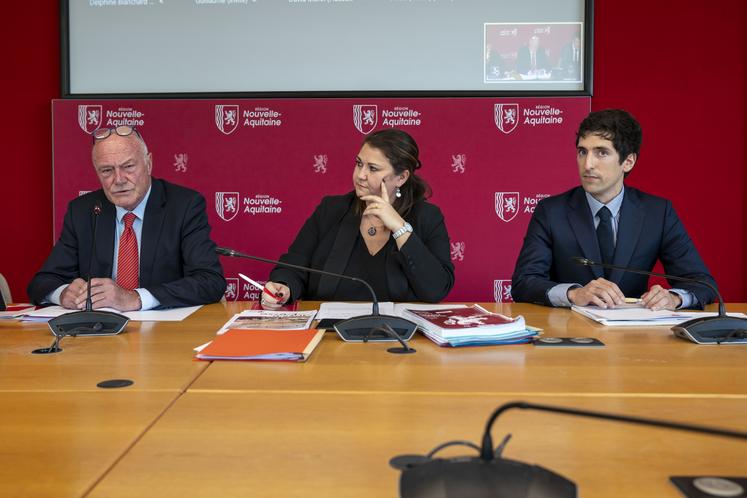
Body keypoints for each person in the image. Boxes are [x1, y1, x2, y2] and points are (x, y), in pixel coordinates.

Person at [511, 109, 717, 310]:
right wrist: (573, 294)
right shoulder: (551, 211)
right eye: (582, 152)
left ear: (628, 161)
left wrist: (674, 298)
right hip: (569, 332)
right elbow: (524, 282)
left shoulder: (657, 213)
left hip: (634, 336)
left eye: (601, 153)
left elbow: (702, 283)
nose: (588, 164)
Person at [27, 126, 226, 311]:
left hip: (163, 332)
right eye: (107, 170)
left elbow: (210, 281)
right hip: (99, 335)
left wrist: (135, 298)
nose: (119, 179)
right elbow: (42, 282)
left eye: (128, 166)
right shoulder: (83, 210)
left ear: (148, 164)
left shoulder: (184, 205)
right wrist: (63, 294)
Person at [262, 128, 454, 307]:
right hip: (331, 334)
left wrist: (399, 227)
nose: (360, 175)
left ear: (401, 178)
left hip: (400, 336)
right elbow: (294, 264)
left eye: (373, 168)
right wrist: (283, 286)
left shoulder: (427, 217)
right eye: (359, 164)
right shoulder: (331, 209)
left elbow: (436, 289)